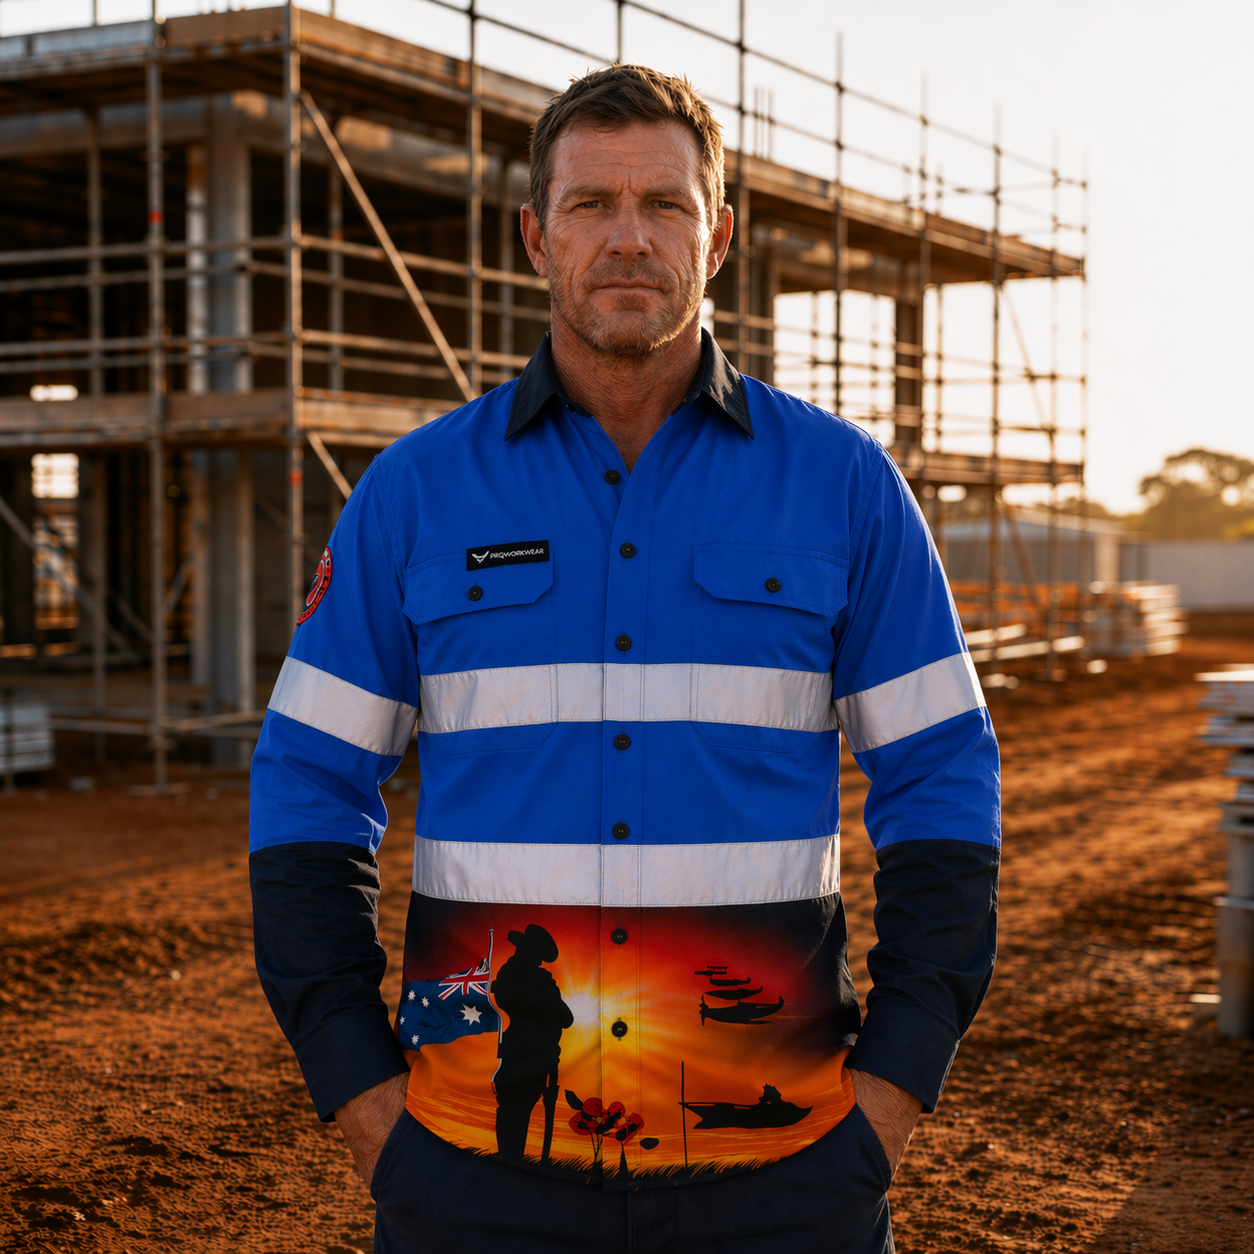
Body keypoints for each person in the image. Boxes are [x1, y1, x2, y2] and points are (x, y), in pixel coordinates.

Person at [250, 63, 999, 1254]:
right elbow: (306, 787)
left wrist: (892, 1095)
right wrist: (361, 1093)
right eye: (592, 205)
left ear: (720, 239)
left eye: (667, 204)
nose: (629, 238)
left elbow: (942, 785)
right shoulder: (412, 495)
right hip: (472, 1172)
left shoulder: (848, 489)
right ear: (536, 236)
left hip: (783, 1174)